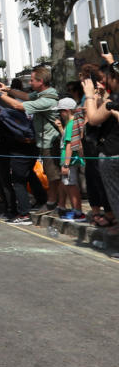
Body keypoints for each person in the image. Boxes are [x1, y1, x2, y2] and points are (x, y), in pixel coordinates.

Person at [0, 68, 59, 211]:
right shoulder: (42, 94)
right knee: (49, 174)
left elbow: (18, 105)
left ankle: (53, 203)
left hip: (49, 142)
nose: (29, 82)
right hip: (43, 141)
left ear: (40, 81)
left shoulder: (47, 100)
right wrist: (7, 90)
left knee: (53, 176)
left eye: (32, 80)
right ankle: (51, 202)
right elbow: (26, 96)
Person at [82, 57, 119, 236]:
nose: (103, 81)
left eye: (105, 77)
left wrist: (89, 95)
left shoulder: (114, 99)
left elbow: (94, 119)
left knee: (115, 195)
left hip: (112, 153)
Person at [55, 98, 85, 220]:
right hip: (70, 160)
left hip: (69, 161)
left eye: (61, 111)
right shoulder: (72, 124)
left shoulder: (72, 124)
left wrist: (66, 164)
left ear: (66, 111)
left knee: (71, 185)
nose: (60, 114)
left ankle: (78, 212)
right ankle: (75, 210)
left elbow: (69, 145)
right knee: (68, 185)